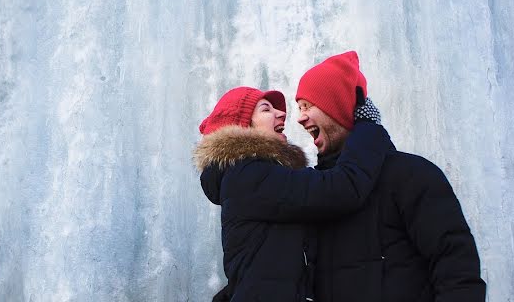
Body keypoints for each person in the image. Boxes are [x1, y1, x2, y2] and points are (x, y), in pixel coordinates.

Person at [296, 51, 485, 302]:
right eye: (298, 108)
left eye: (307, 105)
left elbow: (457, 272)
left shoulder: (412, 176)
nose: (299, 118)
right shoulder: (318, 193)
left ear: (338, 105)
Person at [195, 84, 393, 302]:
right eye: (266, 109)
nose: (282, 113)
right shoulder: (249, 175)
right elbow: (342, 188)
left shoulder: (250, 177)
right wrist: (366, 127)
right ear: (242, 127)